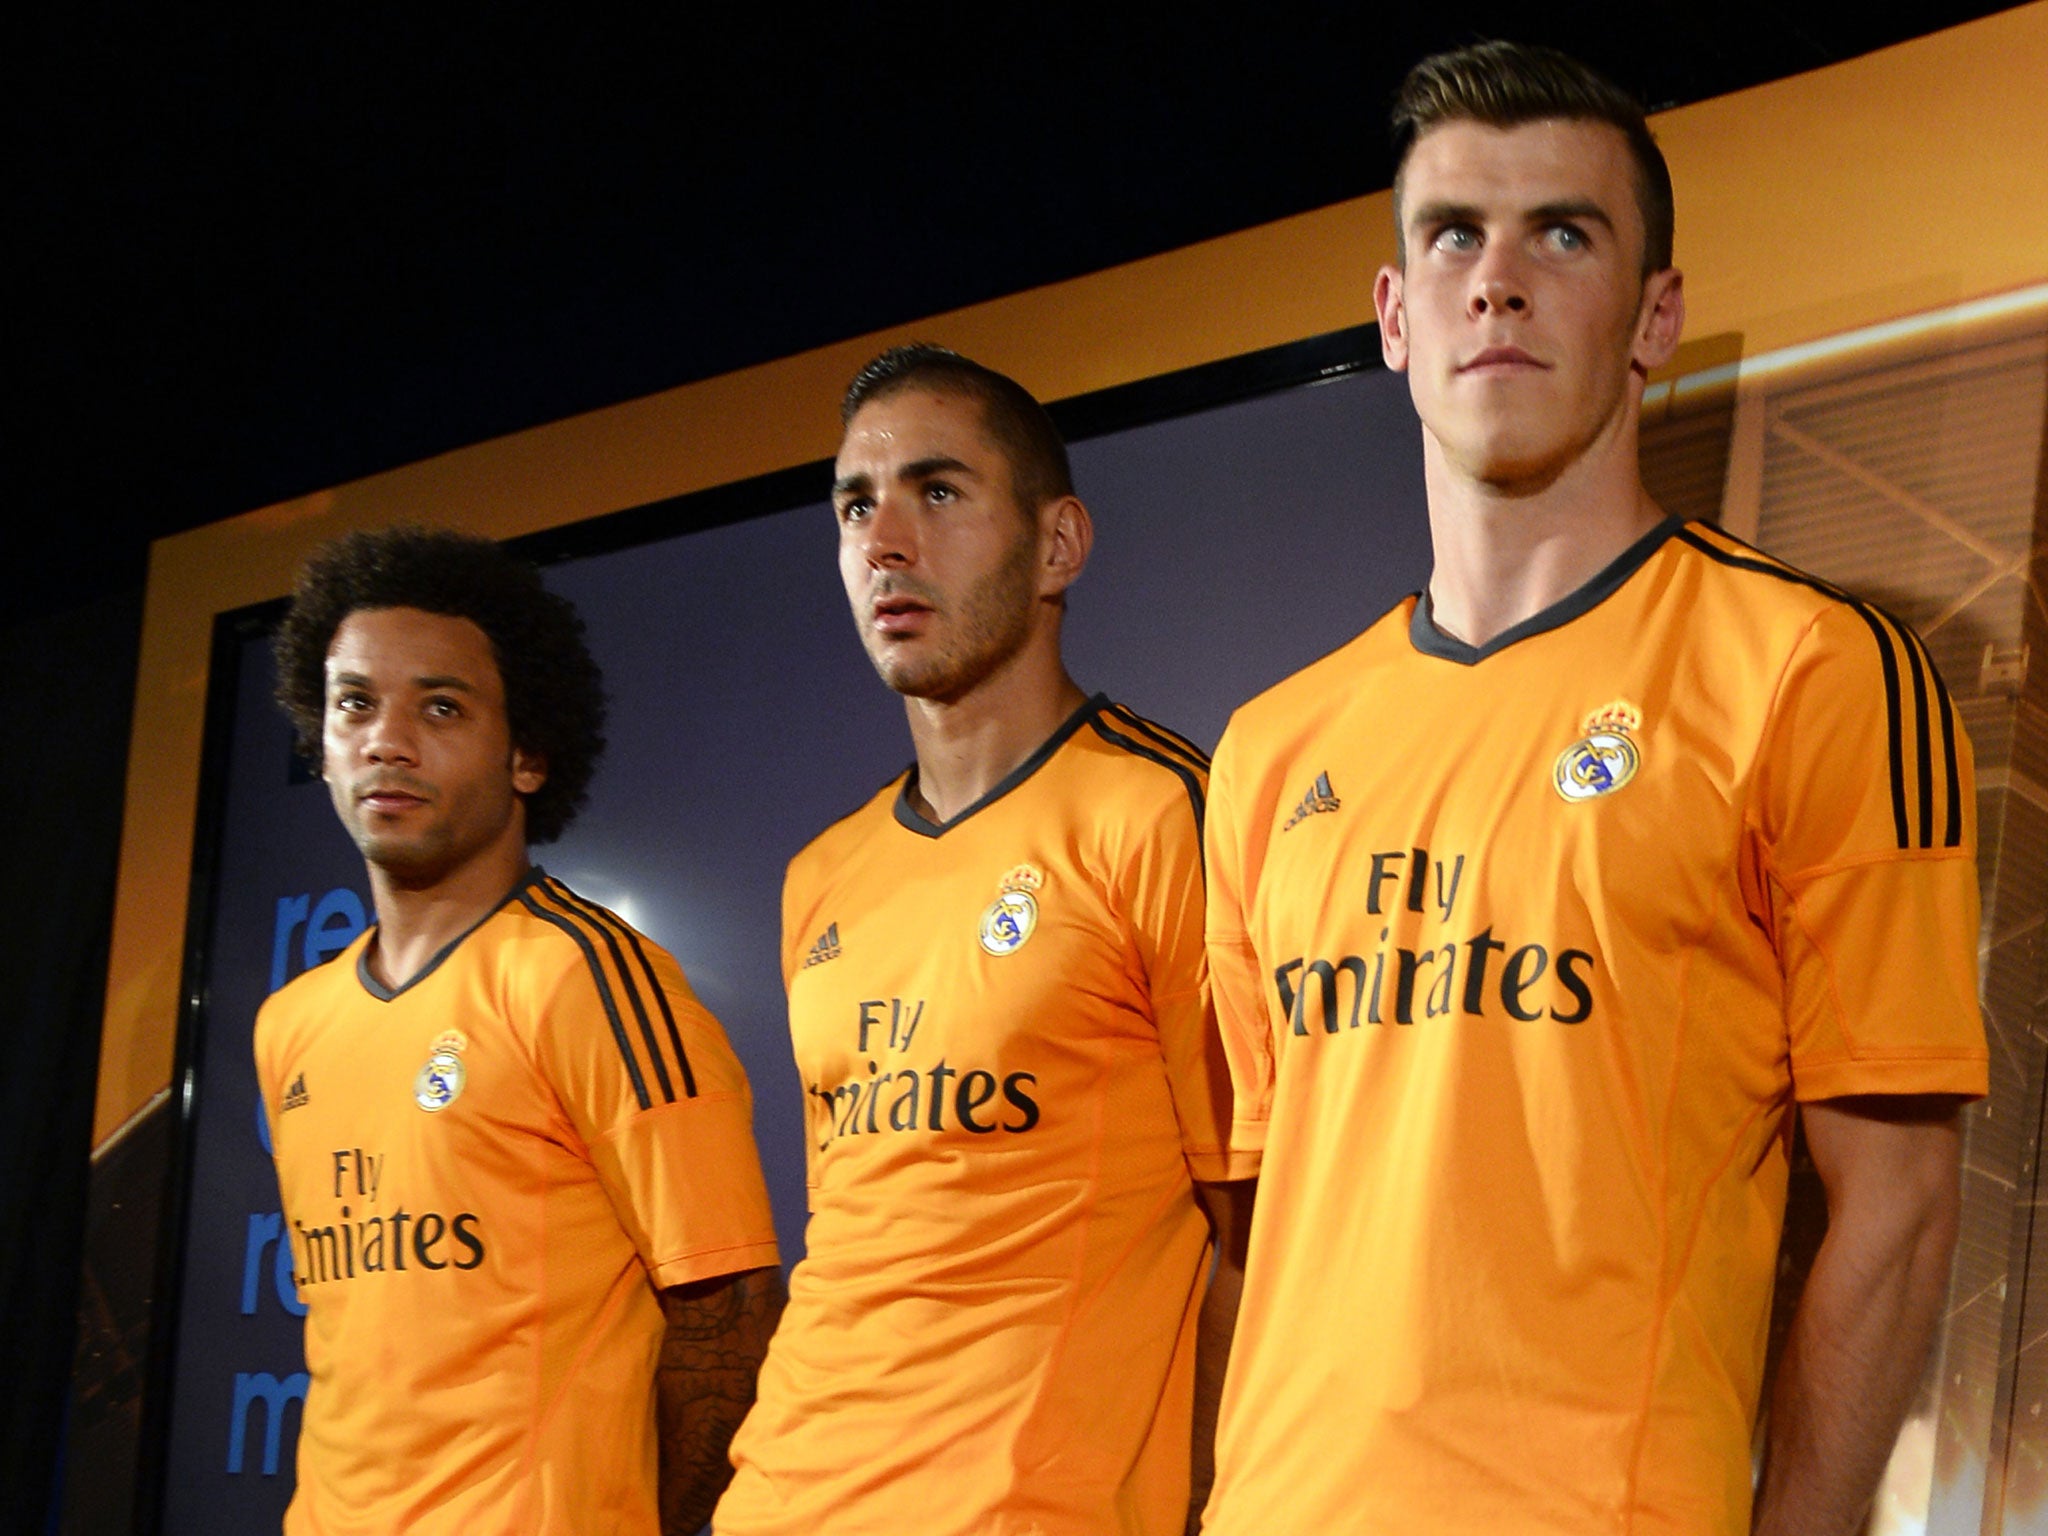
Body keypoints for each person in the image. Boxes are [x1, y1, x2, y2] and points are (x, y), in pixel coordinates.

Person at [1199, 41, 1986, 1536]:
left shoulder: (1810, 669)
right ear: (1395, 318)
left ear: (1656, 316)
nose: (1499, 280)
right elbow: (1259, 1224)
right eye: (1454, 237)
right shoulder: (1271, 748)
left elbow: (1896, 1213)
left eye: (1565, 233)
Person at [714, 345, 1257, 1536]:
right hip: (779, 1501)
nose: (884, 542)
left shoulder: (1162, 814)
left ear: (1057, 544)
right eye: (856, 506)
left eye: (937, 492)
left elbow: (1256, 1242)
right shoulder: (822, 876)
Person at [256, 526, 784, 1535]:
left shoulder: (587, 977)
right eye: (355, 703)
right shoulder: (291, 1024)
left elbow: (730, 1317)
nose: (386, 740)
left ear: (528, 754)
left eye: (440, 707)